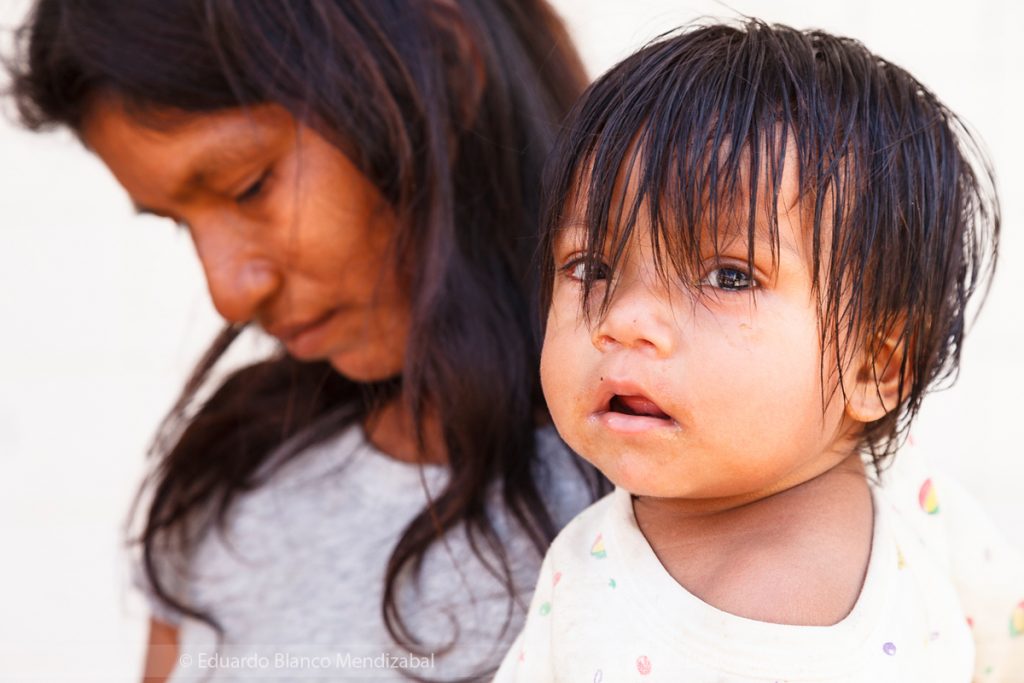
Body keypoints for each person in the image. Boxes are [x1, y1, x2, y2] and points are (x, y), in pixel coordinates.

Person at [6, 1, 605, 680]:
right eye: (179, 223)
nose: (227, 292)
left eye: (248, 186)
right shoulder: (231, 473)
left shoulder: (663, 503)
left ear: (441, 62)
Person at [495, 20, 1024, 682]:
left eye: (729, 276)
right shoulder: (915, 500)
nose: (624, 320)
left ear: (877, 363)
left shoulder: (912, 518)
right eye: (592, 264)